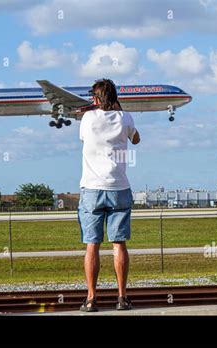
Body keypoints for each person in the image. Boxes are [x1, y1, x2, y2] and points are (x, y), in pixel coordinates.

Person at [78, 79, 140, 312]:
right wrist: (119, 110)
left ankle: (92, 298)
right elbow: (136, 138)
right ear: (115, 99)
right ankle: (122, 297)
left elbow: (84, 139)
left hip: (92, 189)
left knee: (92, 245)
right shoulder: (125, 118)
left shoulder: (87, 119)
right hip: (119, 188)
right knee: (119, 244)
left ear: (95, 99)